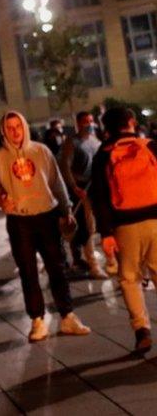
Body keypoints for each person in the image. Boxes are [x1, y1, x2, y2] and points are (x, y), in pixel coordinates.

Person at [0, 111, 91, 341]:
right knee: (28, 271)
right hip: (19, 221)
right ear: (3, 131)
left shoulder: (41, 151)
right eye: (9, 127)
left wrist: (66, 209)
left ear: (24, 127)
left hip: (47, 217)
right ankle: (37, 320)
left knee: (57, 268)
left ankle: (68, 316)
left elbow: (57, 183)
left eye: (17, 126)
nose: (14, 131)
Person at [90, 107, 157, 353]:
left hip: (124, 225)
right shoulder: (149, 145)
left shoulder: (104, 154)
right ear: (131, 122)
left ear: (106, 128)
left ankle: (142, 331)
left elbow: (99, 198)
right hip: (155, 221)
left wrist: (106, 233)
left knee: (129, 278)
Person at [59, 111, 105, 279]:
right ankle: (92, 263)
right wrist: (73, 186)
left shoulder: (96, 141)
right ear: (78, 124)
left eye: (91, 121)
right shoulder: (72, 142)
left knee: (97, 225)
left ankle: (106, 260)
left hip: (96, 187)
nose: (89, 124)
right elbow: (65, 166)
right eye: (86, 121)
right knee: (87, 225)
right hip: (81, 188)